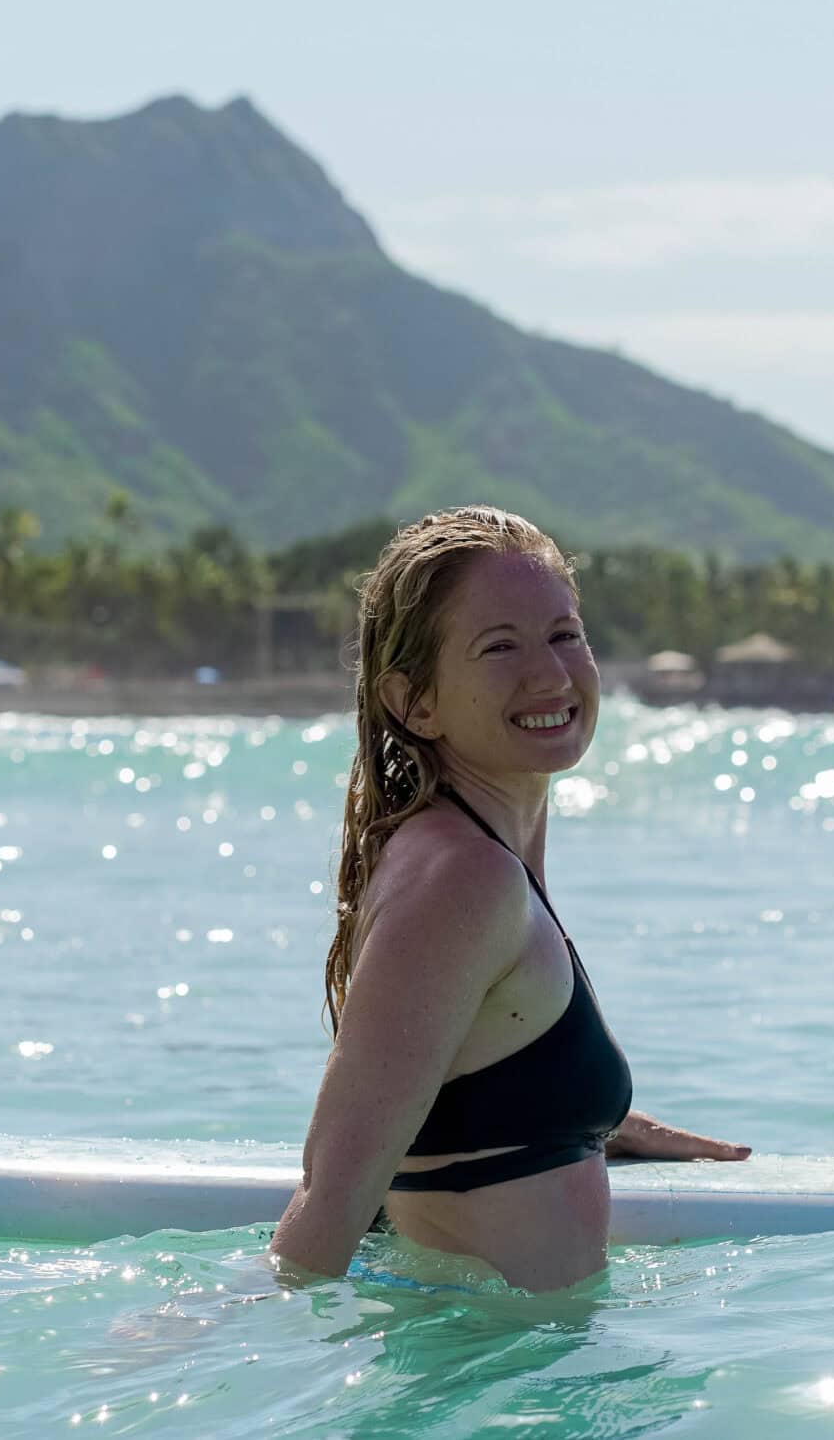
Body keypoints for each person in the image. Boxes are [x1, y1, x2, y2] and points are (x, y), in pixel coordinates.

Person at [271, 507, 748, 1293]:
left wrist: (584, 1114)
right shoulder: (463, 879)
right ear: (415, 701)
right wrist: (221, 1341)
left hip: (500, 1363)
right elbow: (333, 1188)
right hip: (492, 1379)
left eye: (565, 634)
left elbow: (453, 1074)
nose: (552, 676)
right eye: (500, 647)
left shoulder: (468, 852)